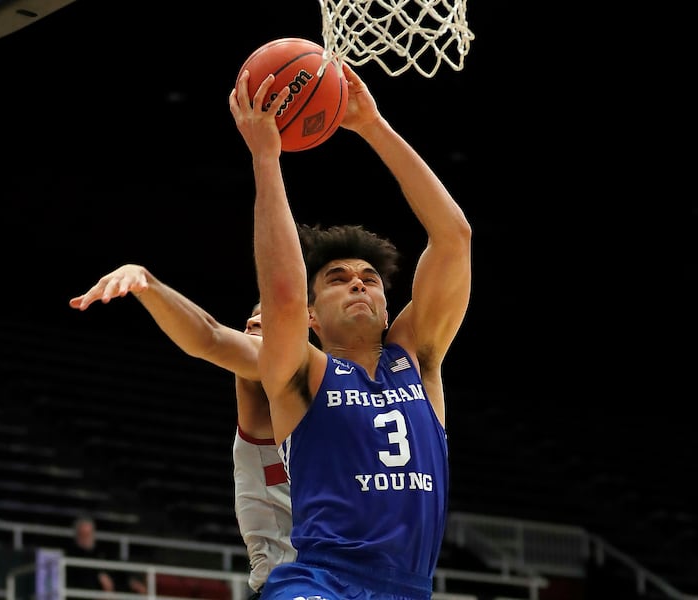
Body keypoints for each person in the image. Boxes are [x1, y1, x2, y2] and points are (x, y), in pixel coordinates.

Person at [228, 61, 472, 600]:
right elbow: (283, 296)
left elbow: (454, 238)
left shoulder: (418, 358)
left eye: (369, 279)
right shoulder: (300, 369)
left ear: (389, 307)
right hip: (313, 578)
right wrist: (266, 159)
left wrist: (371, 124)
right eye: (338, 279)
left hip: (405, 586)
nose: (360, 285)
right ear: (311, 317)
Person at [69, 266, 295, 598]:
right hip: (289, 584)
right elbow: (211, 335)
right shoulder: (259, 389)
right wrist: (148, 283)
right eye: (252, 317)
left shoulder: (350, 400)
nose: (252, 322)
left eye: (268, 317)